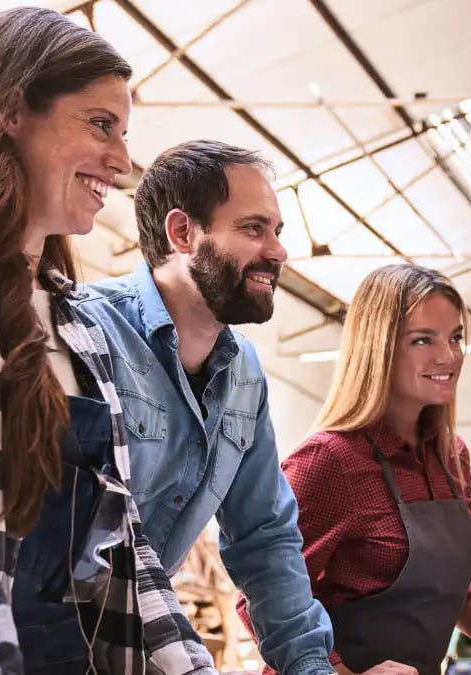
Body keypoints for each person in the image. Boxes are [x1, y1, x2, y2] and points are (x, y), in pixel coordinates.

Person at [0, 7, 216, 674]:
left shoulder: (76, 321)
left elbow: (126, 549)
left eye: (124, 132)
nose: (121, 159)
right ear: (11, 113)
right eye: (100, 124)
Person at [75, 140, 334, 674]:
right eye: (253, 229)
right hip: (47, 642)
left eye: (277, 232)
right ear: (183, 233)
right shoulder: (89, 332)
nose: (278, 251)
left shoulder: (245, 375)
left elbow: (265, 536)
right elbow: (91, 541)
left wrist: (310, 667)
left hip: (138, 647)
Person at [234, 264, 471, 675]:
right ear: (379, 348)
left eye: (456, 338)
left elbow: (441, 584)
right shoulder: (330, 460)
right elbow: (261, 597)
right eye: (422, 340)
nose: (448, 356)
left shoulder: (452, 458)